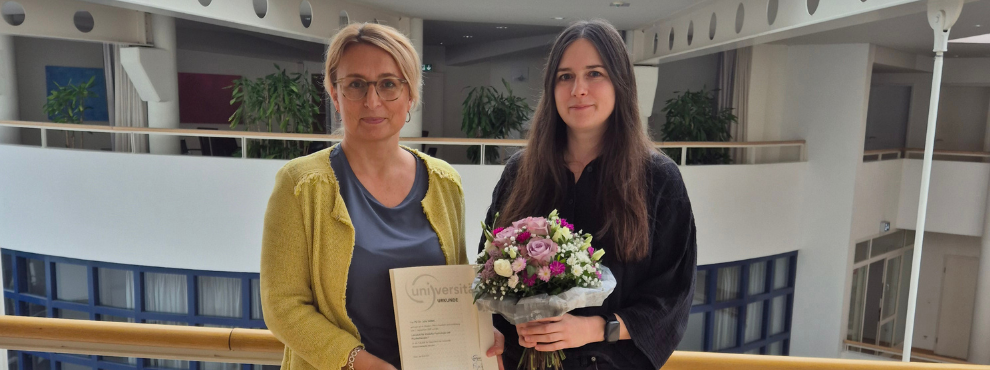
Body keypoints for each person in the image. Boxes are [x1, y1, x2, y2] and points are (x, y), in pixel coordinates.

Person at [480, 19, 697, 370]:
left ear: (620, 83)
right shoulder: (520, 172)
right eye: (565, 76)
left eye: (594, 74)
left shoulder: (658, 180)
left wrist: (594, 328)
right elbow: (488, 270)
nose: (578, 89)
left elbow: (671, 299)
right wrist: (496, 334)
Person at [260, 22, 471, 370]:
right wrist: (358, 362)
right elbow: (282, 306)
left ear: (410, 95)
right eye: (356, 85)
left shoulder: (446, 183)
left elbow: (456, 287)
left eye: (388, 84)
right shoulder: (300, 185)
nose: (372, 101)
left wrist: (476, 332)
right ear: (335, 94)